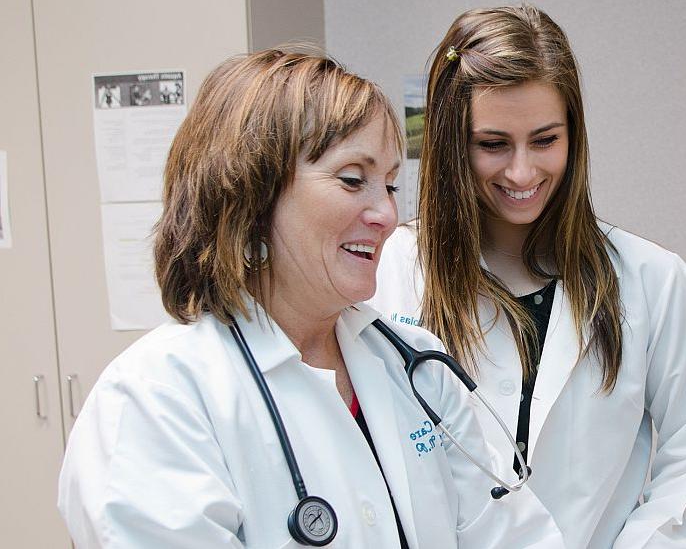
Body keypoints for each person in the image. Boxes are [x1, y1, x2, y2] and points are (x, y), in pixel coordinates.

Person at [58, 48, 561, 548]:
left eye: (388, 185)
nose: (386, 214)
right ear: (251, 192)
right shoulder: (158, 399)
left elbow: (509, 536)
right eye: (352, 180)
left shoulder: (416, 366)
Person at [370, 6, 686, 548]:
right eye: (493, 145)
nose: (522, 172)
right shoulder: (393, 271)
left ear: (574, 136)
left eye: (545, 140)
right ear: (452, 145)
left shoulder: (651, 279)